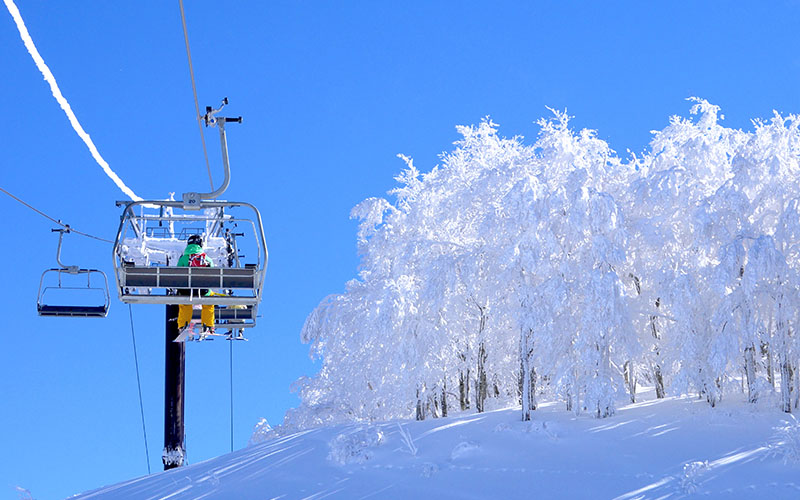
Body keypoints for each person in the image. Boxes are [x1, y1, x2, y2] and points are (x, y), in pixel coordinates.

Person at [176, 234, 215, 335]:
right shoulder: (207, 258)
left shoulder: (184, 258)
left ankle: (182, 325)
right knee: (209, 304)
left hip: (186, 291)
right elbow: (213, 273)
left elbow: (177, 273)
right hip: (203, 290)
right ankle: (208, 325)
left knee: (185, 305)